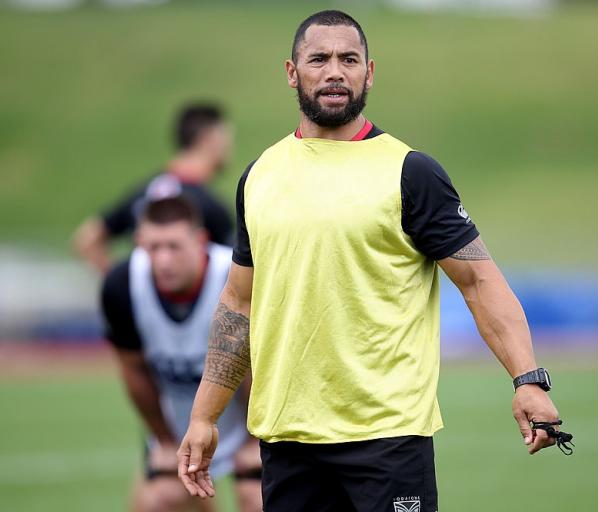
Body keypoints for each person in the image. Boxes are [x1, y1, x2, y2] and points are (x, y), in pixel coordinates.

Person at [176, 10, 565, 512]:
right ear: (292, 73)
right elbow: (238, 303)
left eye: (349, 59)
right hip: (287, 440)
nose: (335, 71)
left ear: (369, 72)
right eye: (319, 59)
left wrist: (527, 379)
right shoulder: (259, 177)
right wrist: (204, 416)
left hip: (388, 440)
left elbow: (478, 282)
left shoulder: (411, 172)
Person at [101, 196, 261, 512]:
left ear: (200, 241)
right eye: (153, 248)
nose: (162, 260)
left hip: (248, 422)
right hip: (180, 429)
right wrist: (162, 439)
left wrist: (256, 439)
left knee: (259, 500)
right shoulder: (122, 286)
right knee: (157, 502)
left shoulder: (235, 274)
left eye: (173, 246)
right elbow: (134, 370)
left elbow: (258, 365)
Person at [74, 103, 234, 274]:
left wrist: (127, 285)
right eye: (226, 139)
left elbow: (87, 239)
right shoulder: (211, 206)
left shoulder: (143, 191)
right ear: (207, 140)